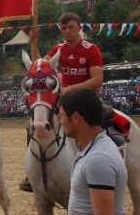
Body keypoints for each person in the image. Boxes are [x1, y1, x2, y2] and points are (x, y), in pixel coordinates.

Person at [20, 11, 104, 192]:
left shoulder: (91, 49)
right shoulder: (59, 48)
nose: (67, 31)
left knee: (108, 123)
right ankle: (31, 174)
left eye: (71, 27)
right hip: (63, 100)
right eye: (64, 28)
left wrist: (70, 89)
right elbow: (39, 67)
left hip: (87, 99)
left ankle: (107, 163)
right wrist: (33, 42)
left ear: (79, 28)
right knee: (35, 124)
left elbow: (97, 80)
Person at [59, 88, 127, 215]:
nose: (60, 121)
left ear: (75, 117)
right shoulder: (92, 148)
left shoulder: (98, 159)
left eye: (62, 116)